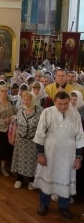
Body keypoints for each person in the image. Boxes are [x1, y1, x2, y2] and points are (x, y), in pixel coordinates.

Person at [34, 91, 84, 220]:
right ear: (55, 102)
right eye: (60, 104)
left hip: (69, 154)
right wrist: (40, 154)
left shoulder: (75, 114)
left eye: (66, 104)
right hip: (50, 153)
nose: (63, 107)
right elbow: (40, 134)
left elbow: (80, 136)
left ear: (69, 102)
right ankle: (44, 204)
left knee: (65, 179)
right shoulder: (47, 112)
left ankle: (63, 206)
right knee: (47, 176)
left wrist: (78, 157)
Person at [11, 92, 43, 190]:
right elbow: (16, 123)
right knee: (20, 159)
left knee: (32, 161)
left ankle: (31, 181)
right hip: (20, 139)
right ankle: (19, 179)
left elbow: (42, 126)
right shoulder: (20, 109)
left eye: (28, 100)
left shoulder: (40, 111)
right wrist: (13, 136)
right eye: (24, 99)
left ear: (33, 100)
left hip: (33, 141)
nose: (26, 102)